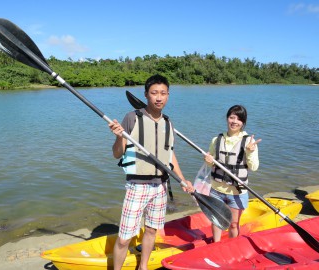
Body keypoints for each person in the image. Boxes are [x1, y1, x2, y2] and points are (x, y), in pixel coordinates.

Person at [108, 74, 194, 270]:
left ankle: (143, 267)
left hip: (160, 186)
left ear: (168, 96)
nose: (159, 97)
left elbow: (170, 155)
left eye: (163, 93)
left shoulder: (168, 123)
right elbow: (116, 154)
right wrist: (119, 137)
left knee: (151, 231)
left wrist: (182, 179)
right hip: (137, 186)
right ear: (146, 94)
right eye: (154, 93)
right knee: (124, 238)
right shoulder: (132, 118)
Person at [204, 105, 261, 242]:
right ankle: (216, 245)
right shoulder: (216, 140)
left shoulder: (249, 142)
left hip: (237, 191)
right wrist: (208, 160)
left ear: (243, 122)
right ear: (227, 118)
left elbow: (254, 167)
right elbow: (210, 162)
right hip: (216, 189)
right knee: (216, 221)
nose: (235, 121)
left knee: (234, 224)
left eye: (239, 119)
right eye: (232, 117)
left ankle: (231, 246)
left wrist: (250, 151)